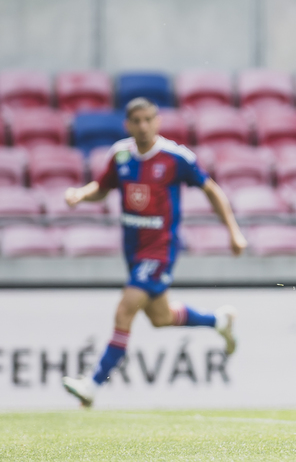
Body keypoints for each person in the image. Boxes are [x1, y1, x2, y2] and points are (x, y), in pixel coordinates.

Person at [61, 97, 248, 407]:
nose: (143, 126)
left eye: (148, 120)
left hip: (160, 249)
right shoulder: (120, 154)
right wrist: (80, 194)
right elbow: (102, 188)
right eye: (137, 121)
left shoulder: (176, 157)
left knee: (125, 309)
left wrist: (234, 232)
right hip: (133, 251)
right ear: (128, 124)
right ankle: (219, 321)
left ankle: (92, 385)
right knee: (161, 317)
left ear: (157, 121)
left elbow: (212, 190)